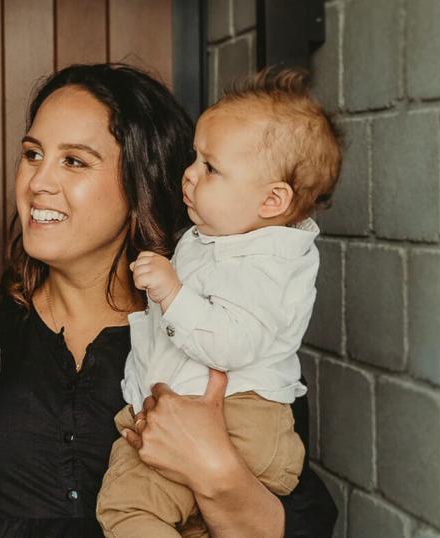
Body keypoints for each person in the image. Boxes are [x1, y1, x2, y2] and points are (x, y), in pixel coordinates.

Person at [0, 64, 338, 537]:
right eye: (32, 154)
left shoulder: (217, 331)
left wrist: (216, 471)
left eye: (75, 161)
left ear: (141, 179)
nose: (37, 182)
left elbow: (302, 526)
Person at [97, 66, 340, 537]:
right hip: (213, 420)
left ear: (272, 201)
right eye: (194, 158)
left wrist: (172, 292)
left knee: (129, 511)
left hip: (235, 421)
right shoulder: (220, 238)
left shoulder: (265, 261)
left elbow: (229, 345)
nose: (188, 175)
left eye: (210, 167)